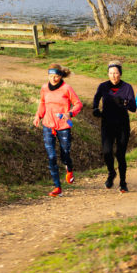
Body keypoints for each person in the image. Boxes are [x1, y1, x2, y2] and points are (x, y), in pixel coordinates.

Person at [33, 64, 83, 197]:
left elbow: (78, 104)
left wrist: (70, 114)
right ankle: (57, 187)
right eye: (50, 76)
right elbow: (43, 103)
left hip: (63, 126)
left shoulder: (67, 88)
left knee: (65, 154)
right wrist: (38, 115)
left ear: (61, 76)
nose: (53, 78)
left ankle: (69, 169)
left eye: (56, 76)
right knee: (51, 157)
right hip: (48, 125)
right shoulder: (44, 88)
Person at [92, 60, 137, 193]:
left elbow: (133, 108)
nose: (113, 75)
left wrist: (124, 103)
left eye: (116, 73)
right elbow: (96, 98)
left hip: (122, 125)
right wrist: (95, 108)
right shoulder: (103, 86)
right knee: (106, 152)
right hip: (107, 123)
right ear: (108, 74)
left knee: (120, 154)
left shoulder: (127, 87)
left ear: (120, 74)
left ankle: (123, 182)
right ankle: (111, 173)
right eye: (111, 73)